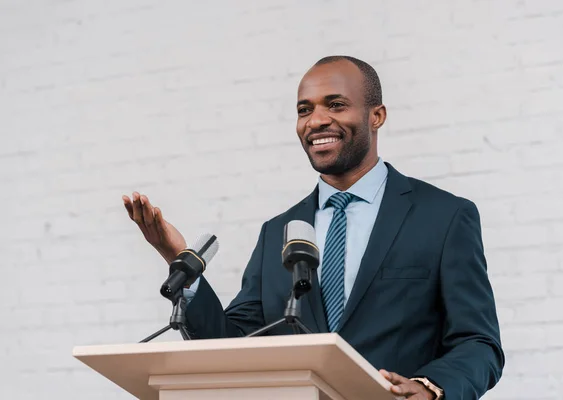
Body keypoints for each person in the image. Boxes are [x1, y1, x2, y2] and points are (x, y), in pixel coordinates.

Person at [123, 56, 504, 399]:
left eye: (336, 104)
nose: (316, 120)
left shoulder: (444, 217)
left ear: (377, 115)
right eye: (304, 109)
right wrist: (176, 259)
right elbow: (233, 342)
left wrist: (428, 387)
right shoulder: (279, 233)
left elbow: (478, 342)